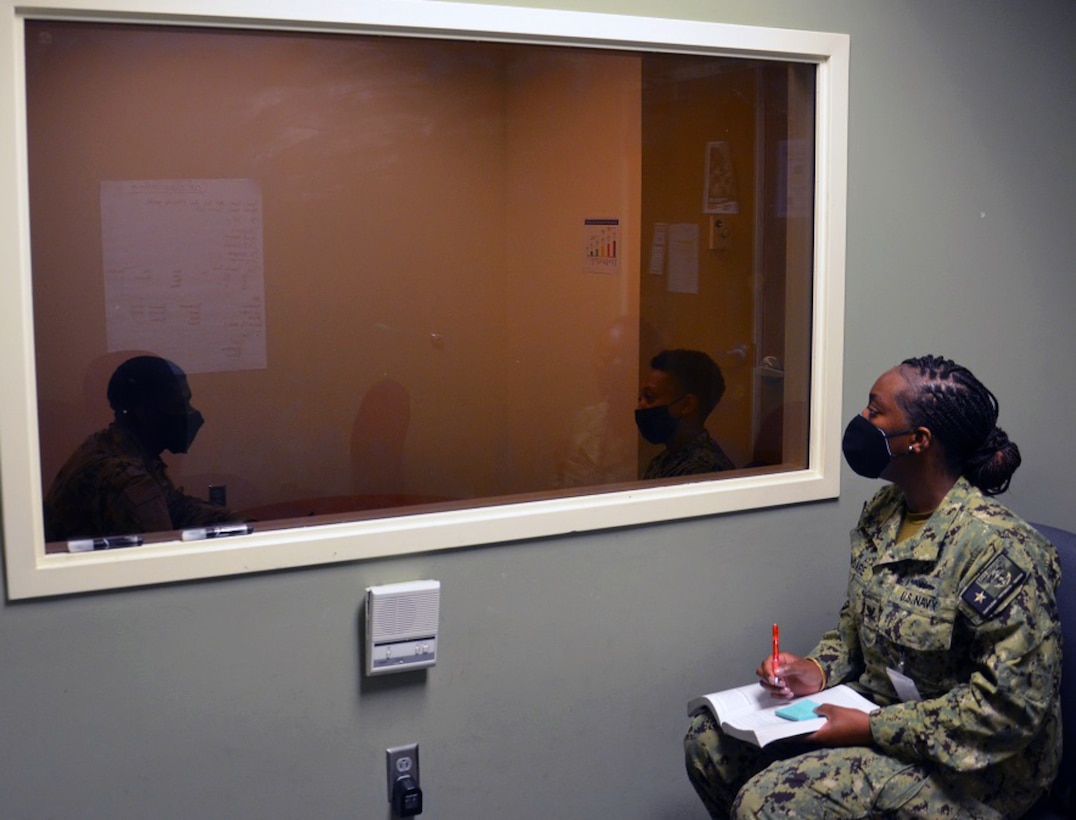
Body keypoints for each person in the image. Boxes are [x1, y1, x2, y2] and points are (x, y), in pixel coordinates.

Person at [684, 355, 1062, 818]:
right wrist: (816, 670)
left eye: (874, 410)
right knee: (709, 743)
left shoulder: (998, 549)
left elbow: (1008, 710)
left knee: (767, 804)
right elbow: (856, 626)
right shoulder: (887, 509)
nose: (861, 421)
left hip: (983, 769)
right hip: (878, 712)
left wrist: (871, 728)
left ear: (918, 441)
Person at [44, 355, 239, 542]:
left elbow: (174, 506)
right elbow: (161, 561)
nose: (190, 413)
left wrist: (241, 524)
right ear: (145, 412)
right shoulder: (128, 481)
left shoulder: (111, 443)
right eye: (179, 404)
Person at [636, 349, 734, 478]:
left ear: (687, 405)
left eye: (650, 397)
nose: (640, 405)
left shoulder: (704, 470)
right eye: (640, 398)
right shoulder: (663, 460)